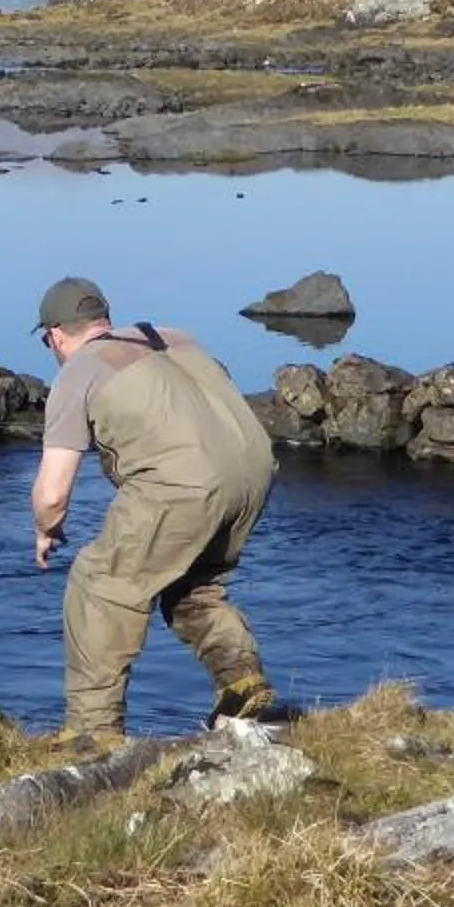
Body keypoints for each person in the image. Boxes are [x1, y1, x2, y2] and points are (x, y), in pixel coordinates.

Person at [28, 275, 277, 743]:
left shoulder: (78, 370)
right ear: (102, 319)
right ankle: (240, 681)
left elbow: (53, 492)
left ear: (56, 334)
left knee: (99, 586)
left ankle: (92, 732)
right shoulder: (175, 339)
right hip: (254, 468)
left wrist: (46, 530)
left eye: (48, 342)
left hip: (185, 482)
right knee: (193, 585)